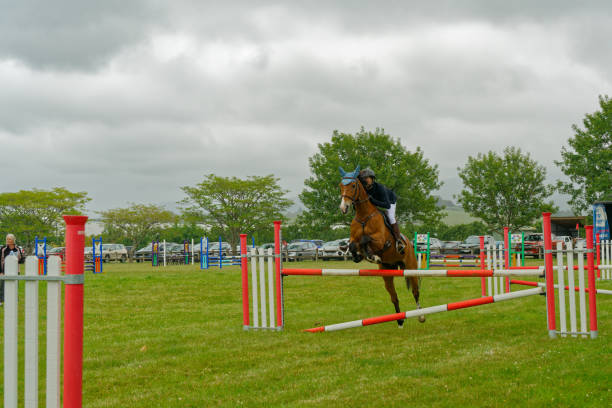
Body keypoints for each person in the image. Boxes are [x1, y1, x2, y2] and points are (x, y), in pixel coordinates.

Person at [358, 168, 406, 253]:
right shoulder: (364, 189)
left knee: (391, 217)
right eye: (363, 179)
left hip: (390, 202)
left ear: (372, 179)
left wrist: (373, 201)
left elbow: (386, 205)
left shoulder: (380, 188)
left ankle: (399, 241)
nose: (365, 180)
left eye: (367, 178)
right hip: (377, 203)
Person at [0, 234, 24, 306]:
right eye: (7, 239)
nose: (8, 240)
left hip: (15, 270)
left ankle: (14, 300)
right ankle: (1, 301)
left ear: (13, 240)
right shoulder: (3, 249)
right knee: (2, 286)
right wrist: (1, 272)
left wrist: (21, 258)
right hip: (4, 270)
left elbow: (21, 260)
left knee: (14, 286)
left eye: (9, 239)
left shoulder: (17, 249)